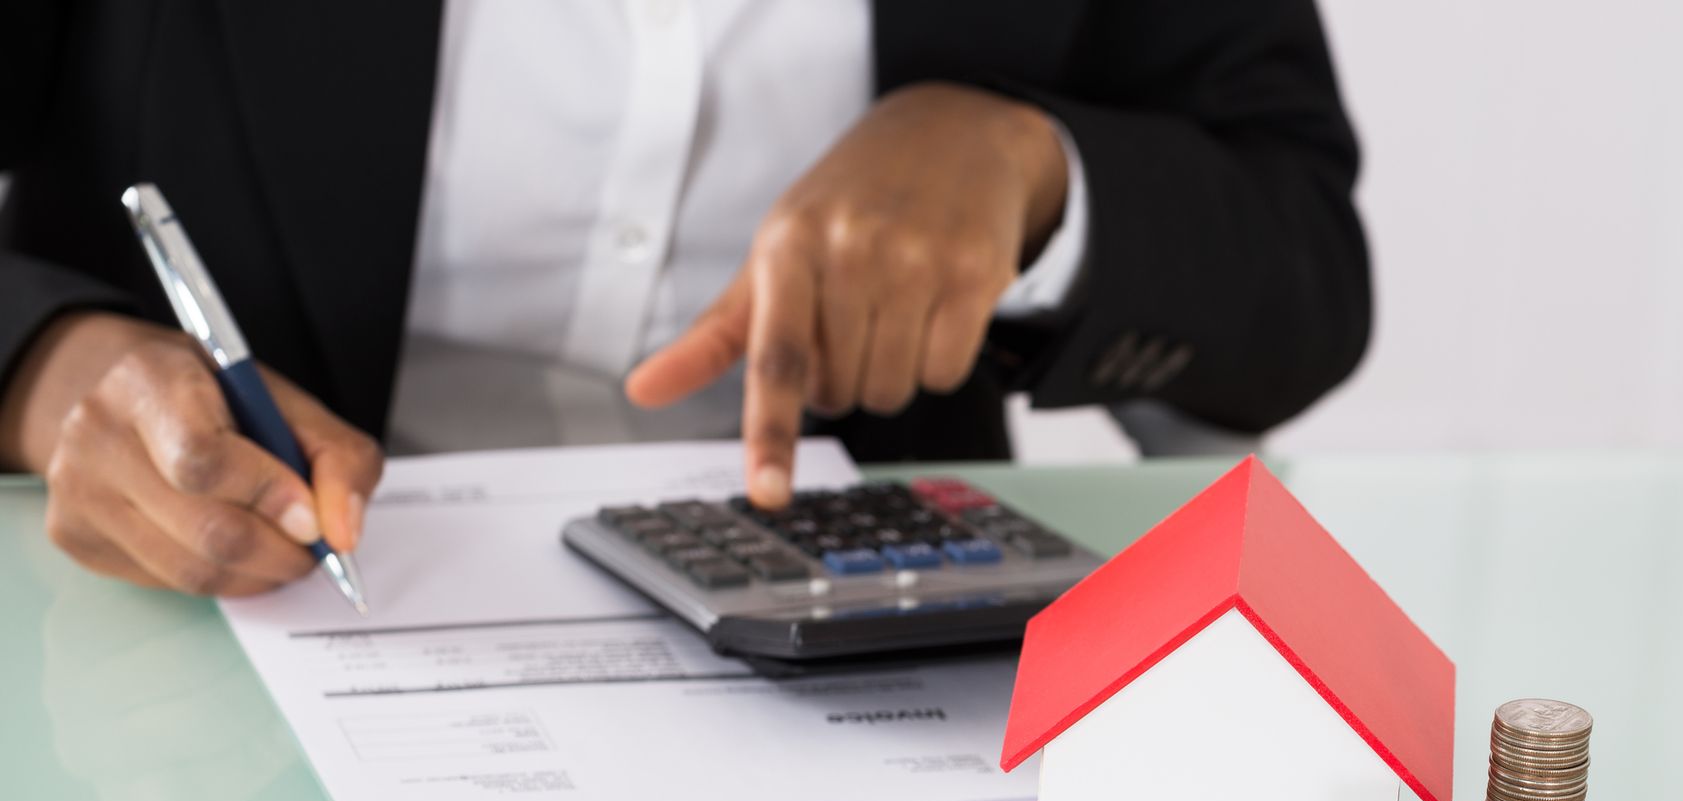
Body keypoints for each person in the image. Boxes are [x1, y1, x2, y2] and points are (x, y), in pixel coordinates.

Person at [0, 0, 1370, 599]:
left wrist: (1039, 174)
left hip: (848, 730)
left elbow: (1304, 274)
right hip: (218, 659)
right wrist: (49, 364)